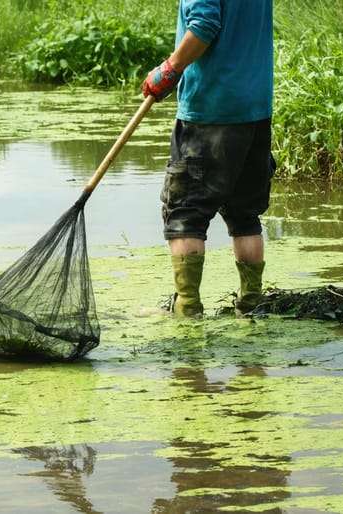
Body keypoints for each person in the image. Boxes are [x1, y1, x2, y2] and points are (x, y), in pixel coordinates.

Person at [142, 0, 275, 317]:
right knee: (246, 216)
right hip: (254, 109)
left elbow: (204, 25)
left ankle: (188, 312)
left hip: (210, 110)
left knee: (185, 214)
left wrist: (169, 69)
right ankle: (251, 307)